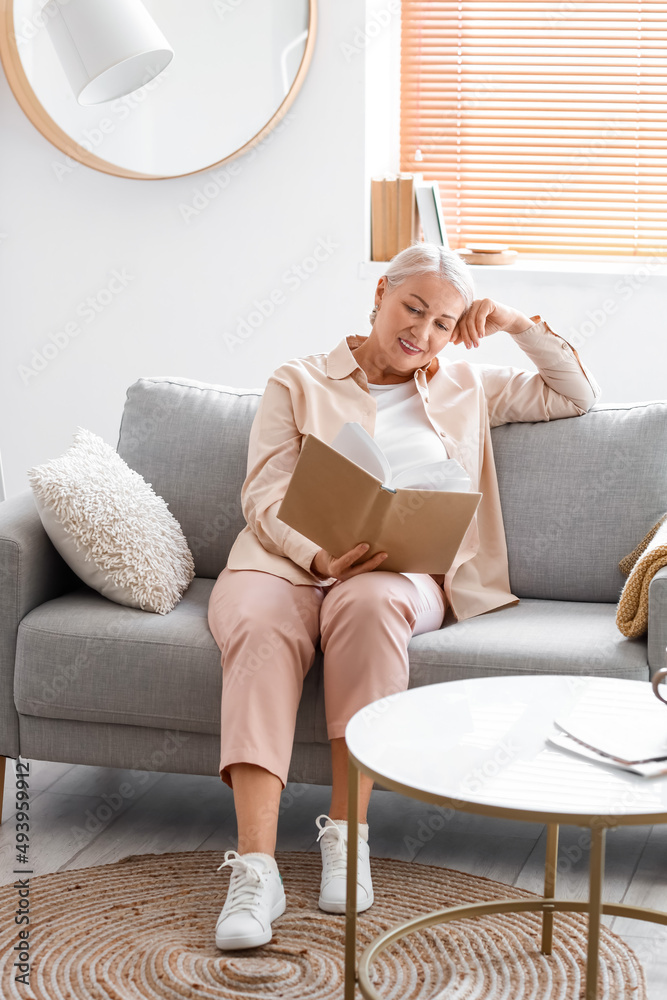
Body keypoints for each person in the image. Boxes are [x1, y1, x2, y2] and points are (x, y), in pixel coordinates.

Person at [207, 242, 601, 950]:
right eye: (412, 308)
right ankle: (255, 869)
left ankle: (347, 840)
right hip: (285, 562)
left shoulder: (467, 385)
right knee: (262, 629)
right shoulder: (297, 380)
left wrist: (511, 321)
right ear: (381, 292)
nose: (422, 333)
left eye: (443, 323)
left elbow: (575, 394)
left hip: (398, 572)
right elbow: (263, 494)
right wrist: (317, 553)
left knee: (369, 604)